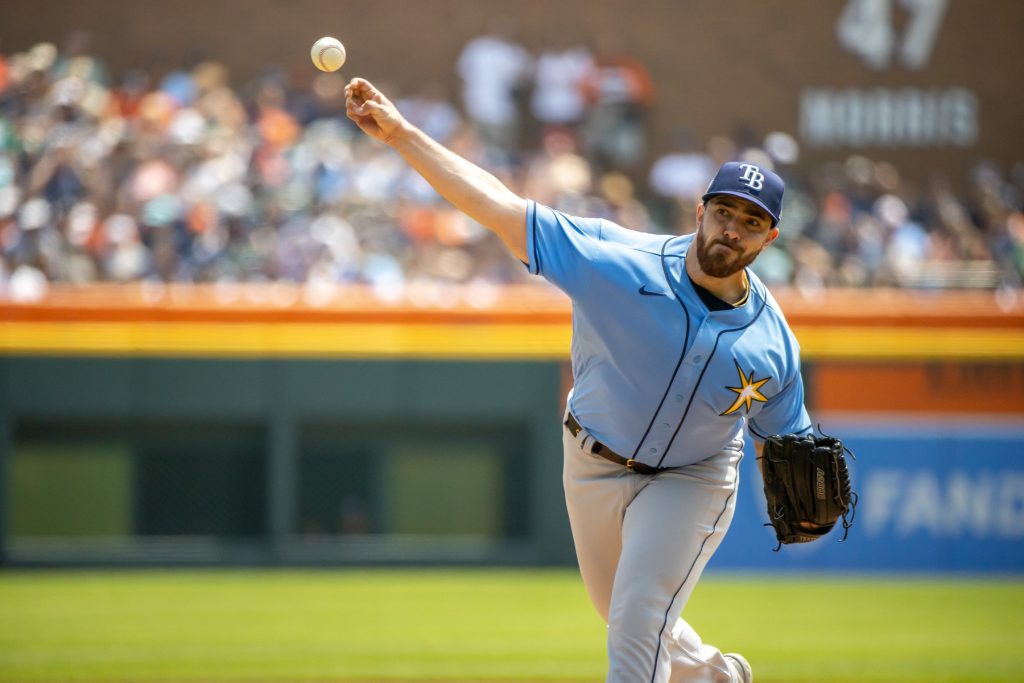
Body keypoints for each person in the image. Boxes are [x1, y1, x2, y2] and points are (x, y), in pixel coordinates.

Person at [345, 77, 813, 683]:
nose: (732, 228)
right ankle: (717, 677)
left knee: (638, 616)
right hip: (591, 459)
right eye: (724, 211)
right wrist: (403, 135)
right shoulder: (614, 260)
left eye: (751, 222)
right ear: (700, 210)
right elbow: (496, 204)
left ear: (769, 237)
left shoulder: (775, 342)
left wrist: (801, 474)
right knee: (621, 613)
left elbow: (791, 440)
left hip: (693, 480)